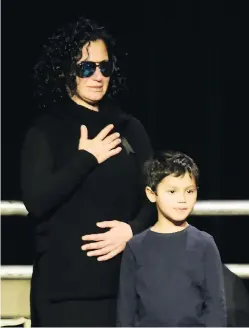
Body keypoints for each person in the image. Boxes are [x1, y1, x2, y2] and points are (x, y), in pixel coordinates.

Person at [21, 17, 156, 326]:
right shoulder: (46, 130)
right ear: (66, 71)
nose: (97, 76)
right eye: (86, 68)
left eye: (104, 67)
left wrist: (132, 231)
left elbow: (155, 194)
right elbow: (37, 201)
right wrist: (86, 159)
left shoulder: (129, 128)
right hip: (65, 295)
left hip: (125, 286)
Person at [116, 150, 227, 327]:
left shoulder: (204, 244)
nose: (182, 199)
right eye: (172, 191)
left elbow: (215, 306)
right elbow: (126, 309)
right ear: (152, 194)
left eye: (189, 191)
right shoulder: (136, 247)